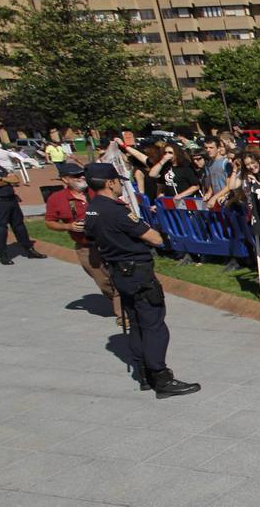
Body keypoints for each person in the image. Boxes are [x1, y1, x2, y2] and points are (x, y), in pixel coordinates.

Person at [81, 162, 199, 397]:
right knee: (154, 325)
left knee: (136, 323)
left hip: (118, 271)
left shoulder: (92, 209)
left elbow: (92, 237)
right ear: (110, 183)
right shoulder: (116, 210)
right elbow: (154, 238)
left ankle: (144, 373)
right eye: (118, 182)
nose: (120, 186)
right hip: (137, 273)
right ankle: (161, 378)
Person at [44, 161, 120, 321]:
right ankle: (119, 302)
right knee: (103, 280)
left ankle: (124, 313)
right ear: (65, 179)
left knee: (120, 277)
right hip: (86, 246)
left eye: (82, 174)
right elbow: (49, 222)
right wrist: (69, 226)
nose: (81, 177)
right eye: (76, 176)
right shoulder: (57, 198)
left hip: (110, 242)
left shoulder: (96, 190)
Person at [0, 163, 44, 266]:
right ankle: (3, 255)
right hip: (0, 202)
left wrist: (3, 179)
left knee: (19, 226)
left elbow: (16, 179)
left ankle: (29, 250)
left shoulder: (0, 167)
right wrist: (7, 180)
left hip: (12, 200)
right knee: (1, 228)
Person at [200, 136, 233, 208]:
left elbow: (229, 186)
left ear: (218, 148)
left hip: (228, 200)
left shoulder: (226, 163)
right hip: (216, 200)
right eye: (206, 148)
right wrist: (209, 193)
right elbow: (212, 181)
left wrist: (214, 197)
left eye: (211, 148)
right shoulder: (208, 164)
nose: (208, 150)